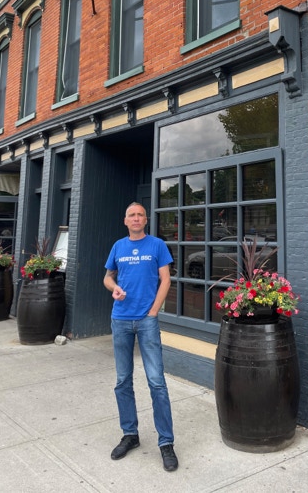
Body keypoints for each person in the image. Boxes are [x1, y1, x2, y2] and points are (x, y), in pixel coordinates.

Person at [103, 202, 178, 472]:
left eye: (140, 215)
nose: (136, 218)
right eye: (131, 215)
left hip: (147, 321)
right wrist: (114, 288)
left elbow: (166, 279)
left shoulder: (157, 245)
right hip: (121, 319)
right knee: (123, 380)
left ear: (146, 220)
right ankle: (130, 434)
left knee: (156, 382)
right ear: (125, 221)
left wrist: (153, 312)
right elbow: (108, 277)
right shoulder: (118, 246)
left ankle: (166, 442)